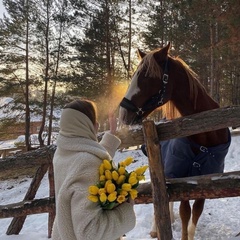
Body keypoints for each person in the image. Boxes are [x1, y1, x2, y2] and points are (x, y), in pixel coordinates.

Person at [52, 99, 136, 240]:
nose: (97, 125)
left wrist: (111, 135)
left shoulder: (62, 153)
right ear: (88, 125)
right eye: (94, 121)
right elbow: (90, 233)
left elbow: (87, 156)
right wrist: (125, 211)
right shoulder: (87, 162)